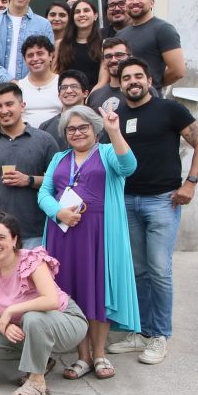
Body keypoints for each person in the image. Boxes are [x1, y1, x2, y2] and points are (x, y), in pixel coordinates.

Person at [106, 57, 198, 365]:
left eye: (138, 76)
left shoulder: (170, 110)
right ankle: (142, 331)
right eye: (127, 78)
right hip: (127, 201)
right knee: (138, 270)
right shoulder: (117, 116)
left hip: (162, 201)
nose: (133, 82)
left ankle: (160, 335)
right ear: (121, 84)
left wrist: (190, 183)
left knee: (159, 270)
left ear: (149, 80)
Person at [38, 106, 140, 380]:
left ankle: (100, 354)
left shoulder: (107, 152)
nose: (77, 133)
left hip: (99, 234)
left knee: (98, 291)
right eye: (71, 129)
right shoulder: (59, 158)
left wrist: (114, 131)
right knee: (71, 293)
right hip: (63, 234)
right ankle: (82, 356)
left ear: (95, 130)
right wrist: (58, 212)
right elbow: (44, 193)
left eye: (83, 127)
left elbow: (129, 166)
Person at [0, 213, 88, 395]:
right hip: (26, 329)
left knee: (32, 317)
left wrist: (11, 310)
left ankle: (37, 382)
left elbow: (51, 301)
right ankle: (33, 369)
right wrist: (4, 327)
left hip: (65, 321)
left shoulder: (31, 259)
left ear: (14, 239)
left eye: (1, 237)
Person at [0, 83, 59, 249]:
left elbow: (58, 182)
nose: (4, 110)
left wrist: (29, 180)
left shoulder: (45, 140)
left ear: (22, 106)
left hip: (35, 232)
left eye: (9, 104)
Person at [117, 0, 186, 90]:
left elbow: (178, 71)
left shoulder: (163, 29)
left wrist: (152, 84)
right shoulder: (120, 34)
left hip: (150, 97)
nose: (135, 1)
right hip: (124, 97)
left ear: (152, 2)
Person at [87, 38, 155, 111]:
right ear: (103, 61)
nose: (113, 60)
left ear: (130, 58)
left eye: (119, 55)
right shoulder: (95, 96)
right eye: (108, 56)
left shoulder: (143, 89)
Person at [53, 0, 103, 87]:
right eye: (77, 12)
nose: (82, 14)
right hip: (67, 93)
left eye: (86, 10)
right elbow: (54, 75)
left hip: (95, 94)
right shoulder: (60, 44)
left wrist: (91, 95)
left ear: (95, 16)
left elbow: (103, 81)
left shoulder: (103, 45)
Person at [39, 71, 93, 150]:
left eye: (74, 86)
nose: (68, 91)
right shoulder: (45, 127)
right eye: (64, 87)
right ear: (59, 95)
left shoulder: (96, 123)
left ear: (85, 93)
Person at [17, 35, 61, 127]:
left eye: (40, 53)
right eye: (30, 55)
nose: (35, 59)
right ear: (25, 59)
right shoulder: (18, 87)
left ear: (51, 56)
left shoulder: (62, 84)